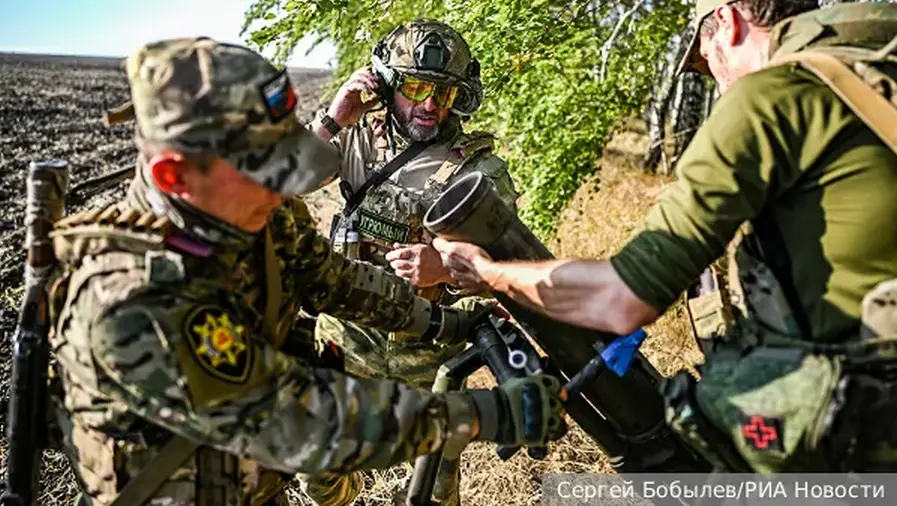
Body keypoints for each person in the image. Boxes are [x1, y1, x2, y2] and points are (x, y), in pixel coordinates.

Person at [45, 37, 567, 506]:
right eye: (264, 172)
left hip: (254, 481)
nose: (282, 191)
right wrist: (483, 415)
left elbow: (333, 279)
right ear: (175, 176)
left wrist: (445, 325)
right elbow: (298, 419)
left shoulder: (253, 212)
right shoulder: (134, 298)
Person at [434, 0, 897, 473]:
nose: (715, 79)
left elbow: (622, 298)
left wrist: (488, 271)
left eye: (702, 57)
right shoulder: (877, 62)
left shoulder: (774, 94)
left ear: (729, 21)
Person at [305, 19, 520, 506]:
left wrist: (445, 268)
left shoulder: (477, 169)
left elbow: (510, 269)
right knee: (319, 478)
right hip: (348, 340)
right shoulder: (358, 138)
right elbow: (281, 181)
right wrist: (335, 117)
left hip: (429, 360)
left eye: (443, 92)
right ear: (387, 84)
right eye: (416, 86)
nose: (429, 104)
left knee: (434, 496)